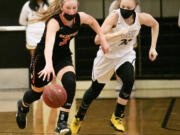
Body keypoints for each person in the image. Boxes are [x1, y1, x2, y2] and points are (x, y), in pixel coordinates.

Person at [16, 0, 109, 134]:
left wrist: (103, 38)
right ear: (61, 7)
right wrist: (48, 64)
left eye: (74, 8)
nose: (71, 11)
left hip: (62, 56)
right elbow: (48, 45)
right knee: (36, 93)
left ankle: (62, 123)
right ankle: (23, 106)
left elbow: (93, 21)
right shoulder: (54, 22)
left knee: (70, 81)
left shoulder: (80, 17)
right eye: (68, 8)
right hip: (43, 57)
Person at [70, 0, 159, 133]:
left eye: (128, 7)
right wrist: (118, 33)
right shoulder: (114, 17)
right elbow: (97, 39)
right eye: (123, 6)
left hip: (125, 55)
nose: (125, 9)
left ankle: (117, 116)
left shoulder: (140, 18)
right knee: (95, 90)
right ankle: (79, 117)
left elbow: (155, 24)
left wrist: (153, 48)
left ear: (135, 7)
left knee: (129, 79)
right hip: (107, 57)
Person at [109, 0, 141, 97]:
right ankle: (119, 83)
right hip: (117, 36)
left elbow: (137, 20)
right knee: (117, 60)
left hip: (130, 36)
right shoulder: (113, 5)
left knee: (130, 61)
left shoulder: (135, 5)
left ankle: (131, 83)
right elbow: (110, 22)